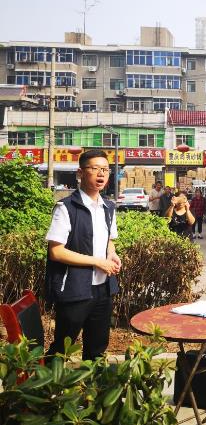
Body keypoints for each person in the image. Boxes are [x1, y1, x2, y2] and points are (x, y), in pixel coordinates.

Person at [45, 150, 121, 360]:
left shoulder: (108, 207)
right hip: (75, 289)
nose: (101, 174)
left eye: (105, 169)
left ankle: (93, 382)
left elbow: (109, 241)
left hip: (103, 290)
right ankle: (50, 381)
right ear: (80, 173)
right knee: (61, 349)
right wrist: (98, 262)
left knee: (97, 350)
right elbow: (56, 252)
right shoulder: (66, 208)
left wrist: (112, 255)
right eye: (94, 168)